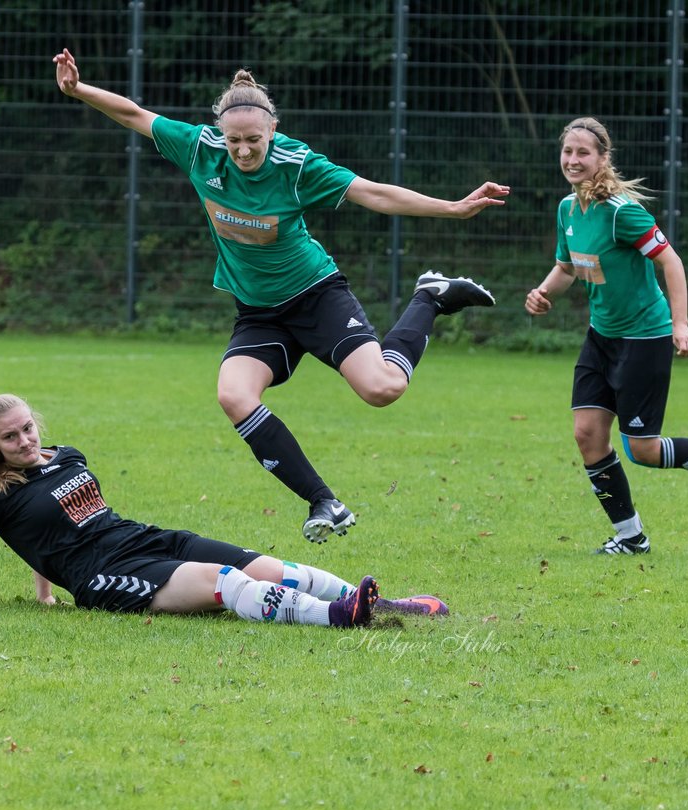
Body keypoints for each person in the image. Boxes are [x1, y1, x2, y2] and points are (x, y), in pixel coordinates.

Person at [52, 49, 510, 545]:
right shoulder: (200, 149)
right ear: (220, 134)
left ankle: (429, 296)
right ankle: (324, 501)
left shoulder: (296, 165)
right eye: (235, 142)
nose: (244, 151)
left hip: (316, 297)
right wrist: (78, 90)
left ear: (272, 131)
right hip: (258, 314)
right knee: (233, 395)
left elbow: (373, 193)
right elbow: (135, 115)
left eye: (254, 141)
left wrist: (453, 208)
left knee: (383, 390)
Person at [0, 394, 451, 626]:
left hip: (140, 538)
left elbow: (46, 534)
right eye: (10, 436)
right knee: (224, 580)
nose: (24, 440)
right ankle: (337, 617)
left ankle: (385, 605)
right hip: (106, 577)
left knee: (262, 564)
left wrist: (43, 592)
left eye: (27, 428)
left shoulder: (67, 456)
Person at [524, 117, 688, 555]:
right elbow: (568, 267)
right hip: (601, 337)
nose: (573, 160)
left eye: (583, 153)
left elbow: (671, 261)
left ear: (603, 158)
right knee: (587, 434)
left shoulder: (622, 212)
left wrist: (680, 324)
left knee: (643, 450)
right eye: (568, 152)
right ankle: (630, 536)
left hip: (644, 338)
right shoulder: (568, 209)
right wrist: (545, 293)